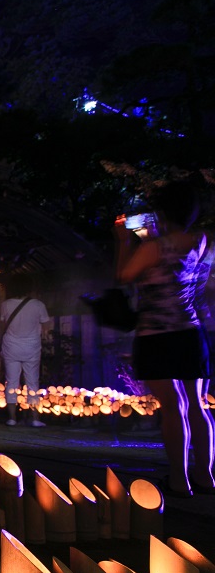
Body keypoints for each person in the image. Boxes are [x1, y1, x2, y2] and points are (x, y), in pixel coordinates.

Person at [117, 179, 215, 496]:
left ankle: (179, 480)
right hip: (190, 332)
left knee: (173, 408)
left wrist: (124, 240)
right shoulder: (202, 241)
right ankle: (206, 477)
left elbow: (124, 275)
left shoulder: (153, 248)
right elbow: (199, 284)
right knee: (197, 405)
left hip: (156, 335)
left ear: (162, 212)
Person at [0, 275, 52, 427]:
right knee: (32, 382)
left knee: (11, 382)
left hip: (11, 346)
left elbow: (2, 324)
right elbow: (46, 326)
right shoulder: (38, 305)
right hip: (31, 347)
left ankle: (12, 418)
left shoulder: (6, 305)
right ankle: (35, 419)